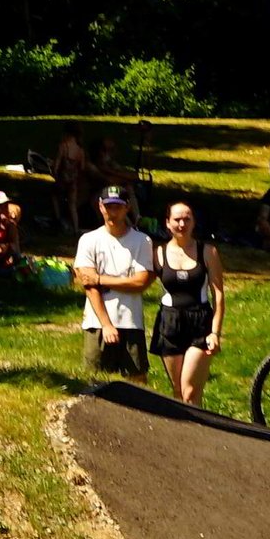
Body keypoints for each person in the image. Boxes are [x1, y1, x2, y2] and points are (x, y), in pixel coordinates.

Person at [73, 186, 155, 385]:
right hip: (97, 322)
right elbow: (88, 285)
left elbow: (140, 281)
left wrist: (101, 279)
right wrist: (106, 324)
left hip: (130, 320)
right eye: (108, 206)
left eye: (118, 206)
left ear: (127, 207)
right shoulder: (89, 240)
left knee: (137, 379)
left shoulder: (141, 240)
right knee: (94, 380)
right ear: (100, 207)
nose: (113, 211)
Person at [148, 201, 226, 406]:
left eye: (187, 219)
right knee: (177, 392)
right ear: (167, 223)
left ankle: (200, 431)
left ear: (193, 222)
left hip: (200, 322)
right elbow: (140, 280)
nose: (182, 224)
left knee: (190, 392)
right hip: (169, 322)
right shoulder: (158, 253)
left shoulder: (208, 252)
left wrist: (215, 333)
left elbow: (218, 295)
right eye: (177, 219)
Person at [51, 121, 89, 232]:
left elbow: (57, 164)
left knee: (54, 196)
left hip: (63, 179)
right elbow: (82, 168)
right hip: (74, 181)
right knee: (72, 206)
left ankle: (58, 221)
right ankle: (76, 228)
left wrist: (54, 171)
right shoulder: (80, 150)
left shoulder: (63, 146)